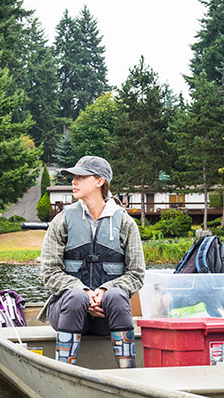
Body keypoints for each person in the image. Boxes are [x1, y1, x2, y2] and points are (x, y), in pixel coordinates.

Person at [39, 155, 145, 368]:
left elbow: (136, 274)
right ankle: (64, 371)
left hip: (106, 315)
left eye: (81, 177)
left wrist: (105, 291)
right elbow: (49, 272)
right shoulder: (61, 221)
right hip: (67, 310)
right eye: (73, 177)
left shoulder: (125, 223)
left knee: (116, 295)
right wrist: (86, 293)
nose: (73, 182)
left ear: (100, 181)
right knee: (77, 296)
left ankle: (129, 375)